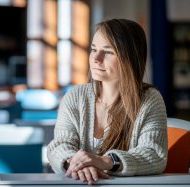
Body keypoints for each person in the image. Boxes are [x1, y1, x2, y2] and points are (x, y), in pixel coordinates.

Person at [47, 19, 167, 184]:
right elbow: (59, 147)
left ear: (129, 58)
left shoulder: (149, 99)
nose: (96, 58)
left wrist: (105, 161)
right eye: (93, 49)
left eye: (108, 52)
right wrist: (78, 164)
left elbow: (155, 156)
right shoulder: (75, 97)